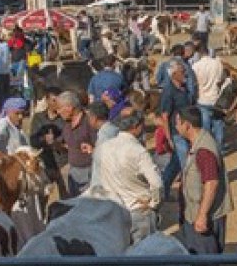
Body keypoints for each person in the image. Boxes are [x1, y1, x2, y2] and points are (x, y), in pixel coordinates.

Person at [176, 105, 231, 266]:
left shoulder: (204, 150)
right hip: (197, 211)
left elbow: (211, 183)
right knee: (200, 258)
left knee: (204, 259)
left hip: (202, 214)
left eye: (177, 123)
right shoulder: (199, 144)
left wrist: (202, 215)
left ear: (187, 125)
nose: (176, 127)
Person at [92, 111, 163, 242]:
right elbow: (157, 183)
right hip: (138, 211)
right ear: (137, 126)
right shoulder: (138, 151)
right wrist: (153, 203)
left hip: (114, 211)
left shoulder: (103, 148)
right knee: (144, 251)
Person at [159, 59, 197, 207]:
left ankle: (163, 190)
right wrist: (169, 138)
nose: (185, 74)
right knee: (186, 165)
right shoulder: (169, 92)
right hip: (177, 134)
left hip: (187, 132)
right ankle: (189, 195)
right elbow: (164, 116)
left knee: (175, 165)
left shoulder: (184, 88)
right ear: (174, 74)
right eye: (182, 72)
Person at [55, 91, 96, 197]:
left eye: (59, 108)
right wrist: (55, 144)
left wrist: (92, 149)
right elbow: (67, 145)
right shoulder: (67, 124)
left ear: (69, 108)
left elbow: (102, 147)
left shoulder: (89, 122)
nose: (58, 112)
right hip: (73, 173)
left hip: (89, 173)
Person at [193, 46, 227, 151]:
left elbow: (194, 82)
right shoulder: (218, 63)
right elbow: (221, 79)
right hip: (216, 98)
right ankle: (219, 149)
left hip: (202, 99)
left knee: (205, 126)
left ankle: (208, 147)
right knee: (218, 125)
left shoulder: (196, 66)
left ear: (199, 54)